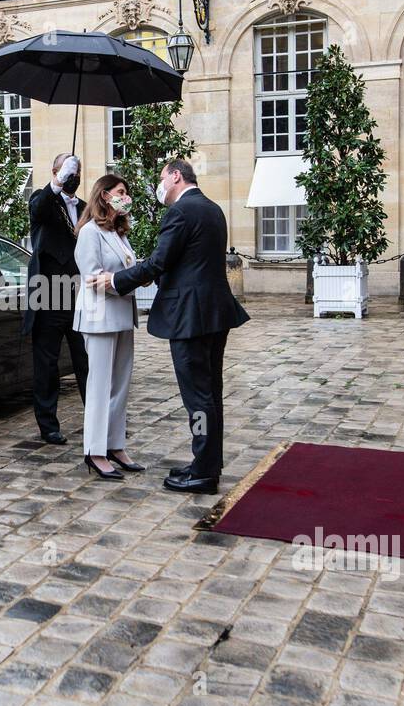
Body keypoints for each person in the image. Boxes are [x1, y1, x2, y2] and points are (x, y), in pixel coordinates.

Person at [89, 158, 249, 495]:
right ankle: (208, 463)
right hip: (215, 314)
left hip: (190, 318)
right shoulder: (212, 208)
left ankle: (203, 472)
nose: (159, 185)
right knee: (211, 395)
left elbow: (160, 262)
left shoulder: (180, 211)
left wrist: (115, 279)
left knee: (198, 400)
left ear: (176, 176)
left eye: (162, 178)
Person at [73, 174, 144, 480]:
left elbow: (128, 269)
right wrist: (129, 281)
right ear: (103, 196)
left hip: (122, 316)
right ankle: (95, 450)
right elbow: (93, 276)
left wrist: (140, 274)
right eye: (120, 192)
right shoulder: (89, 232)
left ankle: (115, 444)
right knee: (100, 386)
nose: (125, 197)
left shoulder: (119, 232)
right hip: (99, 317)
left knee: (120, 385)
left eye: (126, 193)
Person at [23, 152, 90, 444]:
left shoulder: (86, 208)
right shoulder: (43, 200)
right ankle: (48, 425)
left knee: (86, 361)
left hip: (78, 292)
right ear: (55, 171)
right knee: (47, 365)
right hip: (48, 293)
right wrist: (56, 183)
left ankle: (98, 421)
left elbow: (115, 218)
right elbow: (38, 209)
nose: (73, 177)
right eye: (68, 172)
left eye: (76, 172)